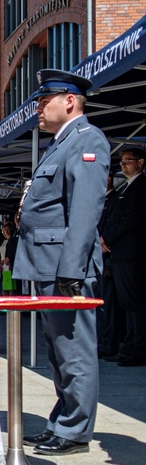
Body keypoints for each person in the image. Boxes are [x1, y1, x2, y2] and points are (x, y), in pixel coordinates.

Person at [14, 69, 109, 456]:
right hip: (47, 265)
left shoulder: (88, 141)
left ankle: (74, 431)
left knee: (75, 349)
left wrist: (71, 268)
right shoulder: (60, 143)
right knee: (58, 351)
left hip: (64, 268)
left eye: (43, 100)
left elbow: (85, 211)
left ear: (69, 101)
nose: (37, 108)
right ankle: (62, 421)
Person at [100, 147, 146, 366]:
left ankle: (138, 349)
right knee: (126, 304)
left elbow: (129, 218)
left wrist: (106, 238)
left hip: (131, 253)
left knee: (135, 303)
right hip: (119, 253)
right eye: (122, 162)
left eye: (129, 161)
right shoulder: (124, 188)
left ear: (141, 163)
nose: (123, 164)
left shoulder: (140, 187)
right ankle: (128, 346)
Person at [96, 172, 127, 358]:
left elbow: (112, 224)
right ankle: (102, 341)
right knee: (101, 304)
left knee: (108, 304)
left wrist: (103, 240)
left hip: (108, 255)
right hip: (98, 256)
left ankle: (109, 344)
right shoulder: (100, 201)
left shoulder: (115, 198)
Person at [0, 221, 19, 296]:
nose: (6, 231)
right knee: (4, 285)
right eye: (4, 230)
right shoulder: (2, 241)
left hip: (9, 264)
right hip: (3, 266)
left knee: (10, 285)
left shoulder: (13, 240)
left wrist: (9, 258)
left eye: (8, 229)